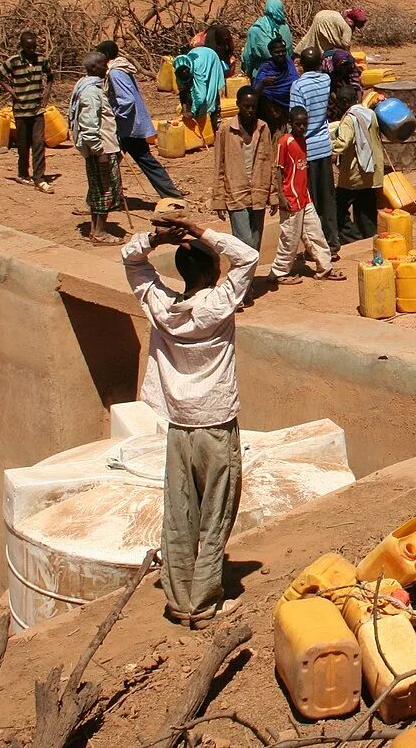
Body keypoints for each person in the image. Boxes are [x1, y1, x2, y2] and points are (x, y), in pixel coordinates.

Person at [121, 214, 258, 627]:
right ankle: (203, 603)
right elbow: (248, 258)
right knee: (215, 515)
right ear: (214, 269)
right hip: (216, 426)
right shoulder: (218, 305)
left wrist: (156, 238)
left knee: (180, 512)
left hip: (179, 428)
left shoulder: (162, 307)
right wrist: (202, 231)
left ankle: (180, 599)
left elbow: (130, 260)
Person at [99, 39, 185, 201]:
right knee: (116, 162)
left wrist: (114, 117)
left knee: (132, 160)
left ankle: (102, 200)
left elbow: (126, 100)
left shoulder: (116, 72)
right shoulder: (122, 68)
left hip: (127, 127)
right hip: (130, 124)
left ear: (106, 56)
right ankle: (106, 197)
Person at [269, 105, 342, 284]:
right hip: (290, 198)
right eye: (298, 124)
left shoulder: (303, 141)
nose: (301, 128)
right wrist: (280, 196)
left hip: (304, 196)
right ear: (290, 124)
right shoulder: (284, 142)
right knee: (290, 238)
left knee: (315, 232)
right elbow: (277, 171)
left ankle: (325, 268)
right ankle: (279, 272)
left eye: (304, 124)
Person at [211, 88, 278, 252]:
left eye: (253, 107)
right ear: (238, 105)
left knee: (255, 245)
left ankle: (249, 278)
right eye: (246, 106)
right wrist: (218, 199)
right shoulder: (226, 130)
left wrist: (273, 194)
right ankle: (243, 277)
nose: (250, 111)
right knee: (244, 244)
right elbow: (219, 165)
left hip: (259, 192)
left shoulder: (263, 128)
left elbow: (270, 162)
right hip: (236, 193)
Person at [69, 52, 123, 245]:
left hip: (102, 146)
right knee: (105, 190)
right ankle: (99, 232)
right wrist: (98, 148)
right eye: (102, 65)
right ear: (93, 68)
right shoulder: (91, 92)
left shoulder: (85, 85)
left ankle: (95, 229)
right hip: (102, 149)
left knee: (98, 188)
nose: (106, 68)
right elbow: (89, 123)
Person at [290, 46, 338, 246]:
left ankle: (317, 245)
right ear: (319, 64)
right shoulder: (326, 81)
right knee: (327, 196)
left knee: (311, 200)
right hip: (324, 146)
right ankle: (332, 242)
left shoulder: (298, 86)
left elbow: (296, 118)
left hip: (306, 149)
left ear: (301, 65)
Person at [332, 84, 386, 244]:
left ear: (342, 102)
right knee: (366, 210)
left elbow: (342, 144)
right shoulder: (369, 113)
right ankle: (369, 239)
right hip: (372, 170)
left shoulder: (350, 118)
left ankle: (353, 238)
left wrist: (326, 143)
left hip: (354, 174)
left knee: (337, 208)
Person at [1, 32, 54, 194]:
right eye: (28, 48)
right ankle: (23, 173)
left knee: (38, 143)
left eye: (34, 47)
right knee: (23, 144)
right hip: (21, 110)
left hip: (37, 110)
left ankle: (39, 177)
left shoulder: (41, 60)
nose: (32, 51)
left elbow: (51, 76)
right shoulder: (13, 62)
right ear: (22, 46)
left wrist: (46, 93)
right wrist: (10, 89)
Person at [173, 29, 227, 129]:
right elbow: (182, 91)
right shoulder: (179, 69)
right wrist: (185, 110)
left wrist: (192, 112)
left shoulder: (198, 71)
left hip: (210, 58)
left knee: (209, 94)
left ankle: (213, 121)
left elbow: (201, 96)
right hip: (201, 57)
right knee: (190, 94)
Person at [243, 0, 291, 79]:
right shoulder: (285, 27)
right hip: (284, 74)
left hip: (263, 76)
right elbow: (290, 53)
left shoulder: (256, 30)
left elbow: (248, 56)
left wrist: (247, 73)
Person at [251, 35, 298, 114]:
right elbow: (255, 93)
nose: (281, 54)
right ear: (271, 53)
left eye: (283, 51)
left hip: (291, 106)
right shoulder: (266, 68)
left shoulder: (289, 63)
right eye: (277, 52)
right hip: (272, 110)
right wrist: (263, 84)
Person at [297, 7, 366, 55]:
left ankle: (298, 52)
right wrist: (350, 57)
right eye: (361, 22)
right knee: (324, 46)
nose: (362, 24)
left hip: (322, 14)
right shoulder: (347, 28)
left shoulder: (344, 17)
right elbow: (345, 44)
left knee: (311, 37)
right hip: (325, 20)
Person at [321, 47, 362, 121]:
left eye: (345, 68)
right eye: (342, 68)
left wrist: (357, 105)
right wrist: (339, 102)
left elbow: (356, 84)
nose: (344, 69)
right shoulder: (327, 65)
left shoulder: (350, 64)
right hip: (330, 76)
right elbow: (329, 88)